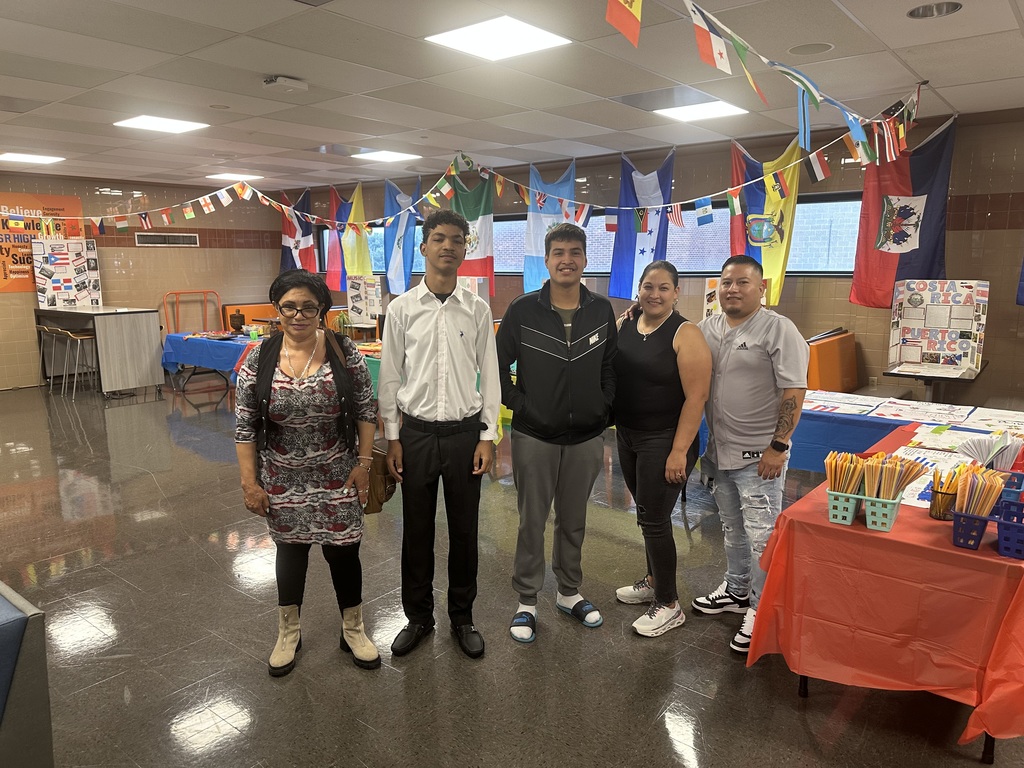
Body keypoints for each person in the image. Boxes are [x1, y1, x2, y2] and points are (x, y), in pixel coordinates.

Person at [235, 269, 380, 676]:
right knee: (291, 553)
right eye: (289, 307)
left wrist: (364, 466)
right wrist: (250, 484)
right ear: (277, 310)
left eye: (309, 308)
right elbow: (244, 427)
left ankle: (353, 628)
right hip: (281, 476)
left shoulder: (343, 350)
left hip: (338, 472)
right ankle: (288, 632)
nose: (298, 316)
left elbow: (368, 410)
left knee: (344, 552)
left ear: (322, 311)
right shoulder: (260, 357)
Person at [379, 209, 499, 660]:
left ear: (465, 249)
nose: (448, 246)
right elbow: (390, 377)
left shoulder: (478, 309)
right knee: (416, 531)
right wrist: (393, 438)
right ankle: (418, 618)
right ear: (425, 247)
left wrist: (487, 436)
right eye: (439, 239)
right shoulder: (402, 309)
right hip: (416, 437)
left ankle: (462, 617)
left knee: (466, 533)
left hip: (466, 435)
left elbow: (490, 377)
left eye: (457, 240)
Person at [497, 222, 617, 644]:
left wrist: (604, 406)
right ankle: (526, 601)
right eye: (558, 253)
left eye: (575, 252)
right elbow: (498, 367)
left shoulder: (601, 310)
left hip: (586, 436)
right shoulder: (523, 310)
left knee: (574, 520)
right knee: (532, 520)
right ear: (546, 261)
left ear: (585, 260)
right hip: (535, 435)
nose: (567, 259)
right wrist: (521, 404)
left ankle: (568, 591)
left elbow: (609, 367)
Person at [691, 255, 809, 654]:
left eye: (742, 282)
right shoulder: (708, 329)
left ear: (762, 288)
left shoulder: (778, 329)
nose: (732, 289)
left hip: (760, 457)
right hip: (719, 453)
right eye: (726, 282)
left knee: (762, 537)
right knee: (731, 528)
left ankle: (761, 608)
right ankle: (737, 590)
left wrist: (779, 447)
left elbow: (794, 391)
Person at [612, 260, 711, 637]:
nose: (655, 294)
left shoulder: (686, 334)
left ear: (676, 293)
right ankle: (654, 580)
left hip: (666, 439)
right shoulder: (626, 324)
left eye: (663, 288)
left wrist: (678, 451)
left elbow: (696, 396)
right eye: (648, 287)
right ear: (639, 289)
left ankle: (669, 604)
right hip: (629, 435)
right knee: (645, 515)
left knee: (655, 520)